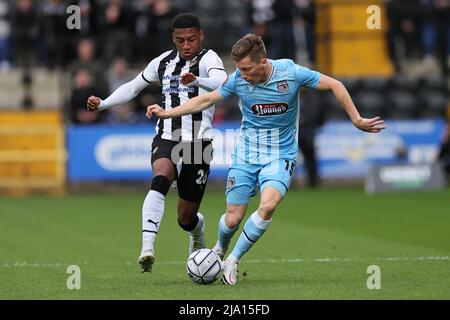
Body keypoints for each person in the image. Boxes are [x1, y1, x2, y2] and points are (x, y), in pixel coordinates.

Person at [147, 33, 386, 285]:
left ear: (263, 62)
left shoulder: (291, 73)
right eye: (239, 69)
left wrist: (356, 118)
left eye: (247, 69)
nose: (243, 74)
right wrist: (167, 113)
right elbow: (206, 98)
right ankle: (219, 248)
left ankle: (233, 260)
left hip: (280, 153)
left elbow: (335, 85)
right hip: (247, 154)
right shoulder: (238, 80)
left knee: (268, 205)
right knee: (233, 218)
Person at [86, 13, 227, 273]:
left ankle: (197, 231)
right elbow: (132, 87)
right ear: (173, 39)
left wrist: (198, 81)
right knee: (160, 178)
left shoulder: (209, 59)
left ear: (201, 36)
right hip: (167, 133)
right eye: (181, 40)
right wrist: (104, 103)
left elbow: (222, 82)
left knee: (186, 219)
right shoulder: (162, 62)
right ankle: (147, 248)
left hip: (198, 139)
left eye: (192, 39)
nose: (186, 45)